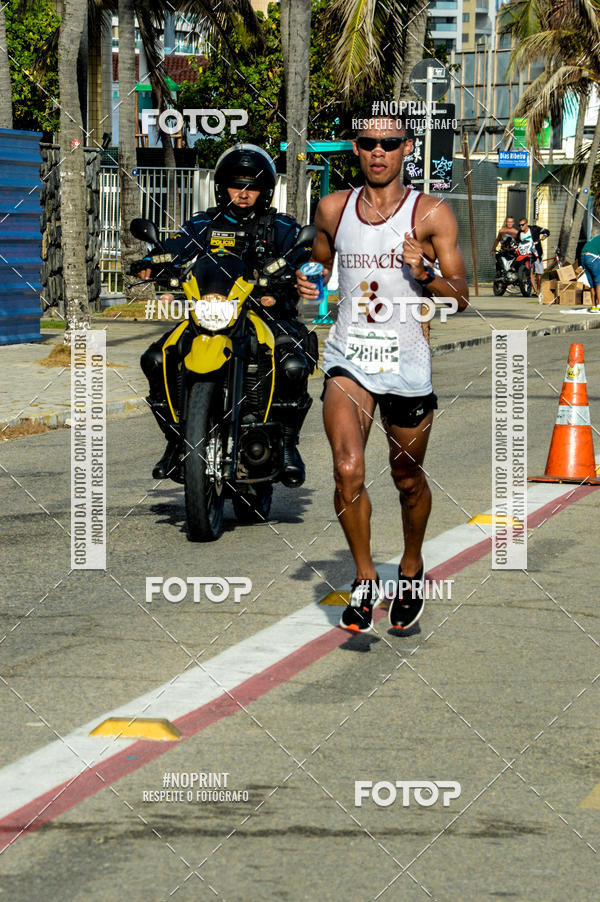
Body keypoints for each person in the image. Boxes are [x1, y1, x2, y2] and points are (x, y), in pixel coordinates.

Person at [297, 113, 468, 633]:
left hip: (407, 363)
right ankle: (366, 578)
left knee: (407, 478)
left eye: (390, 143)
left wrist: (426, 272)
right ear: (356, 147)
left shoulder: (432, 213)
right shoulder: (332, 208)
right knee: (348, 469)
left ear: (406, 148)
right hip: (349, 358)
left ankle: (411, 567)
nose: (379, 152)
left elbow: (460, 296)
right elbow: (320, 267)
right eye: (369, 143)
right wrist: (309, 287)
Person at [138, 144, 315, 485]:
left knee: (292, 364)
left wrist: (306, 274)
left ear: (264, 189)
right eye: (237, 184)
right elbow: (176, 248)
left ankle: (289, 446)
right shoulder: (203, 224)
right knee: (155, 360)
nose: (244, 193)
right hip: (212, 313)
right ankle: (175, 441)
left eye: (252, 185)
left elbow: (304, 254)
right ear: (223, 187)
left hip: (267, 315)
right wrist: (152, 261)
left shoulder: (280, 226)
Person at [517, 217, 549, 294]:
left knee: (538, 273)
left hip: (536, 253)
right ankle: (535, 290)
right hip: (526, 254)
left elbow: (546, 231)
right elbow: (517, 242)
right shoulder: (519, 234)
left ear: (526, 224)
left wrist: (544, 235)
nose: (521, 227)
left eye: (522, 225)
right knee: (529, 271)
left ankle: (538, 289)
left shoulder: (534, 229)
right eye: (519, 225)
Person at [579, 233, 600, 311]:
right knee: (598, 282)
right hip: (592, 257)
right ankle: (599, 305)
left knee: (592, 283)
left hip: (583, 257)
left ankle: (593, 306)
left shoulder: (596, 238)